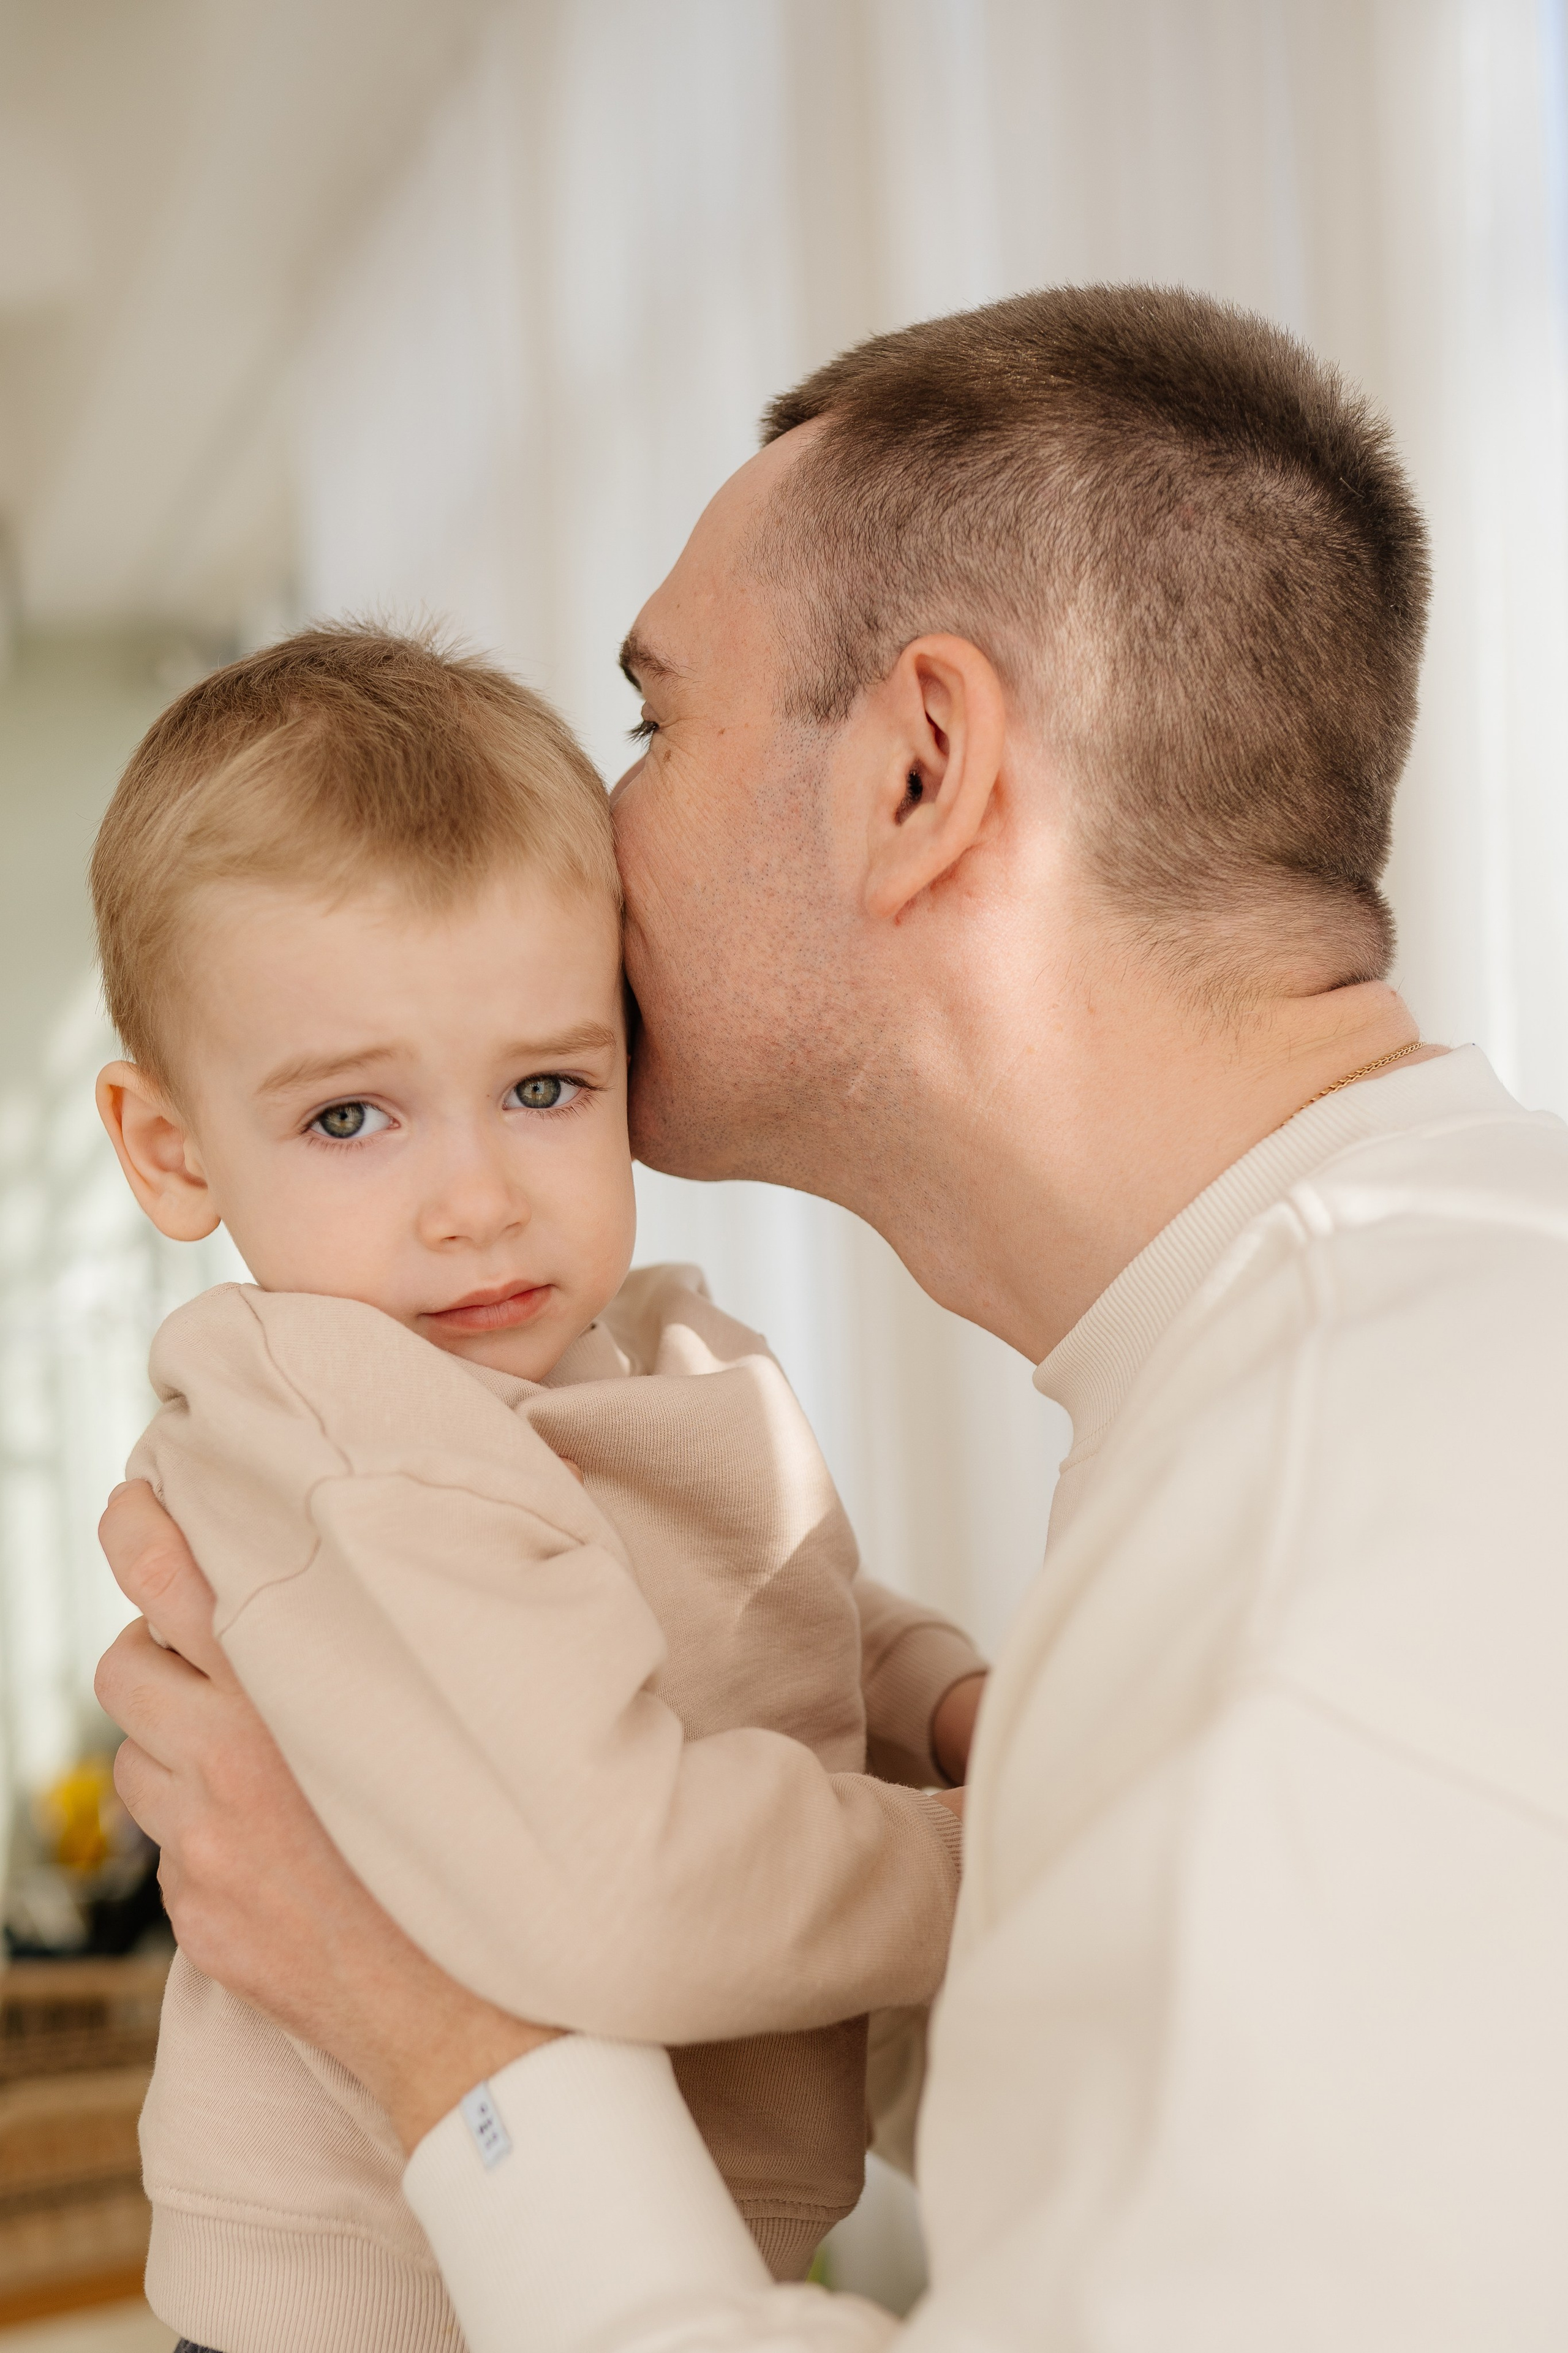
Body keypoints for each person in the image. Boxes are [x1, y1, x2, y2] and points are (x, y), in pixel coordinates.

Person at [98, 287, 1568, 2352]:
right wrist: (997, 1757)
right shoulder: (1377, 1359)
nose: (589, 847)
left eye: (652, 722)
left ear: (921, 773)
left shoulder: (1314, 1630)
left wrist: (432, 2027)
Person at [89, 628, 984, 2353]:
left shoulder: (642, 1349)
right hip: (383, 2295)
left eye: (546, 1086)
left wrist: (938, 1695)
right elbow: (621, 1884)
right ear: (173, 1149)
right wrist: (983, 1849)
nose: (477, 1197)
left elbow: (772, 1612)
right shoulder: (329, 1414)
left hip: (627, 2246)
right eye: (353, 1118)